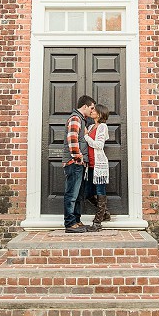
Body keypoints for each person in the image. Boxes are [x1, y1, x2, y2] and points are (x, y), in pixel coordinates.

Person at [63, 95, 95, 233]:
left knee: (77, 194)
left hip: (79, 163)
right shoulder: (75, 118)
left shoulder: (82, 120)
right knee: (71, 194)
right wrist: (78, 158)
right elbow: (72, 139)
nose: (92, 111)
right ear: (85, 106)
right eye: (91, 108)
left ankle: (76, 220)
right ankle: (70, 223)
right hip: (74, 163)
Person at [84, 104, 111, 232]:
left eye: (94, 110)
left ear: (99, 114)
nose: (92, 111)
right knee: (88, 193)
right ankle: (104, 212)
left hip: (99, 164)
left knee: (100, 191)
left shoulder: (103, 127)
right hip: (89, 165)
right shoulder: (90, 126)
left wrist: (86, 136)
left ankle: (97, 222)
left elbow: (99, 145)